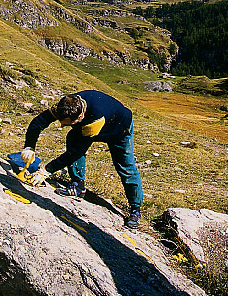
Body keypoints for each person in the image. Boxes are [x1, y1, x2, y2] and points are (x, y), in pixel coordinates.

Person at [21, 90, 143, 229]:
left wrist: (46, 170)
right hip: (93, 122)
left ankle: (135, 209)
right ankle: (77, 185)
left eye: (67, 124)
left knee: (126, 167)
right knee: (73, 137)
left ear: (80, 116)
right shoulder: (65, 106)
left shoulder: (95, 120)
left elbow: (75, 152)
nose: (62, 126)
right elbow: (39, 122)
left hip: (119, 129)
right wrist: (29, 147)